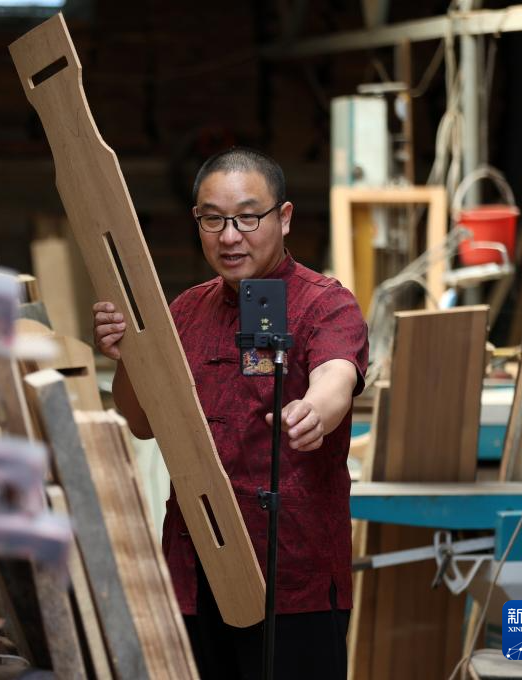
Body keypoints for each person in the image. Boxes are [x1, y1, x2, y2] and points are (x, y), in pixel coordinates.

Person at [93, 147, 368, 680]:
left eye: (247, 217)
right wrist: (127, 356)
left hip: (294, 578)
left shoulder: (325, 303)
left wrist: (313, 411)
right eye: (213, 219)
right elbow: (142, 423)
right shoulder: (184, 310)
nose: (230, 236)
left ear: (283, 218)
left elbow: (337, 372)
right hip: (194, 571)